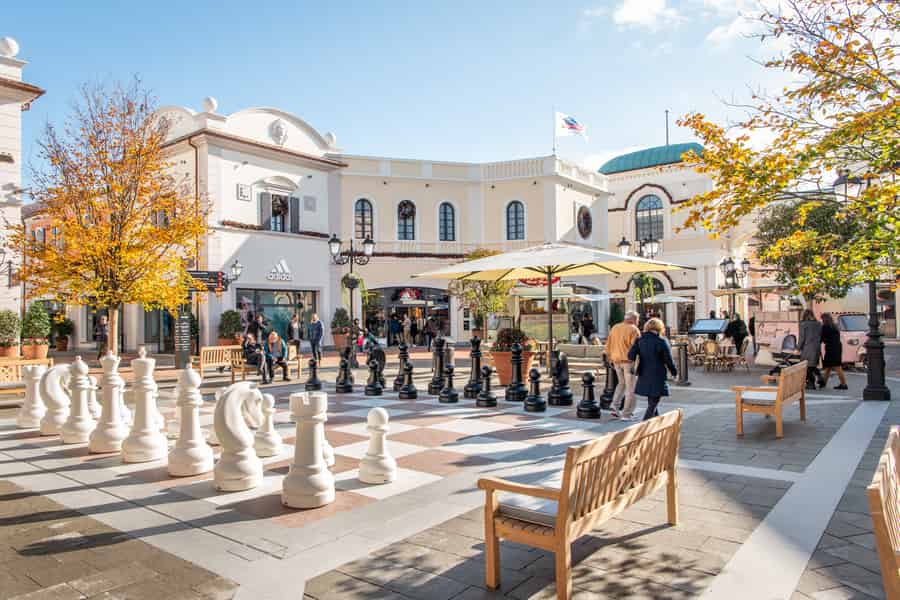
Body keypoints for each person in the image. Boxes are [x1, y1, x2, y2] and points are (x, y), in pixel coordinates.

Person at [628, 318, 678, 421]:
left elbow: (630, 355)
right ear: (660, 328)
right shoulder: (661, 341)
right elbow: (668, 360)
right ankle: (643, 426)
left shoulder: (639, 340)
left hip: (644, 373)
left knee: (652, 401)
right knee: (653, 402)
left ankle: (658, 422)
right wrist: (674, 373)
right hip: (657, 374)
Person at [607, 311, 642, 420]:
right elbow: (636, 348)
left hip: (616, 361)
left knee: (621, 384)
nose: (638, 322)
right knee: (631, 388)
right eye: (637, 320)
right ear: (634, 319)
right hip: (628, 362)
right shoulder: (633, 329)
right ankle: (626, 414)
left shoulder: (615, 327)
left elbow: (608, 344)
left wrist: (610, 358)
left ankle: (614, 406)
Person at [798, 309, 825, 389]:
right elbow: (821, 336)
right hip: (816, 347)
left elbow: (802, 338)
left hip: (807, 348)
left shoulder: (803, 324)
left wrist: (798, 348)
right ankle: (820, 378)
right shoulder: (819, 324)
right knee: (812, 365)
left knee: (806, 366)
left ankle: (811, 383)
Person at [820, 312, 848, 390]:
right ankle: (823, 383)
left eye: (822, 319)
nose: (821, 320)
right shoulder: (834, 326)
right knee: (829, 366)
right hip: (837, 347)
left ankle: (844, 384)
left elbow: (821, 338)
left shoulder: (825, 327)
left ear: (824, 319)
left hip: (831, 348)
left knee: (836, 366)